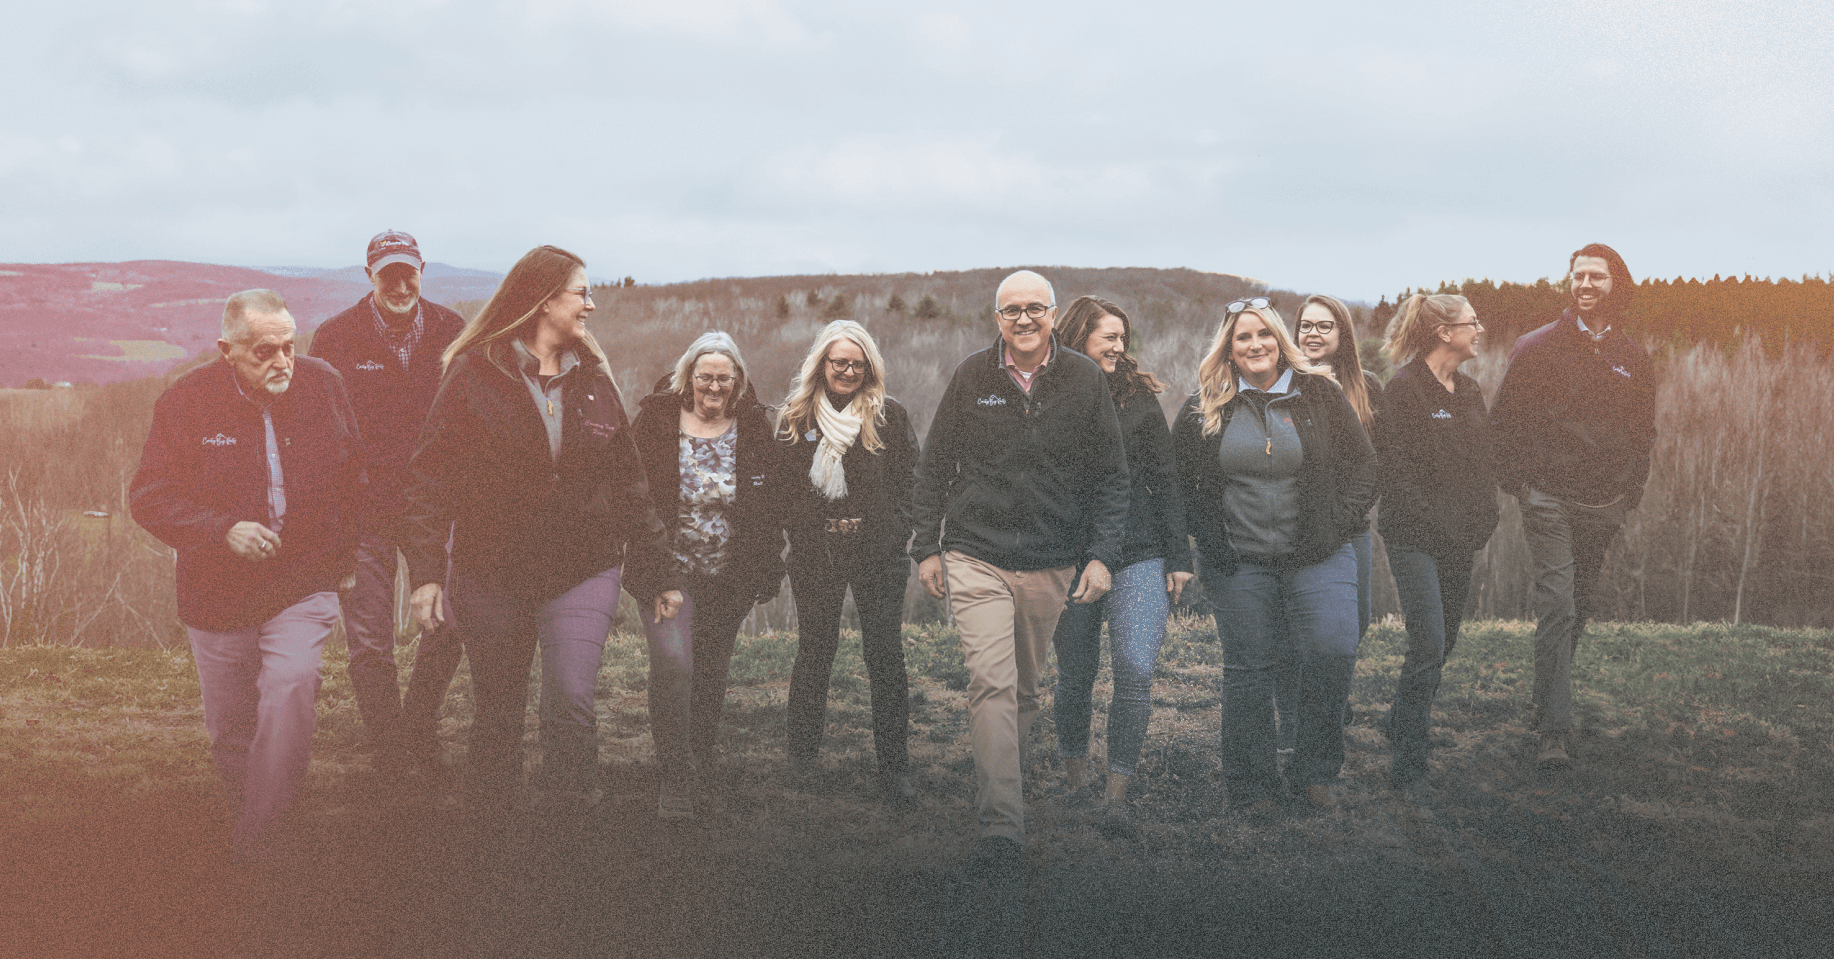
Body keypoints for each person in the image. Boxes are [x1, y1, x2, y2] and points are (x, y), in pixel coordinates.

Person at [402, 246, 682, 822]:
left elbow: (629, 480)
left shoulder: (593, 379)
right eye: (582, 292)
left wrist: (660, 569)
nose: (591, 304)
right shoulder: (475, 373)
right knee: (498, 709)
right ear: (544, 299)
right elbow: (429, 477)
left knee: (570, 700)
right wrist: (428, 574)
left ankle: (570, 821)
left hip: (582, 568)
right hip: (490, 572)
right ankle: (492, 827)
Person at [131, 289, 366, 864]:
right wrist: (222, 530)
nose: (282, 361)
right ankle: (257, 812)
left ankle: (263, 840)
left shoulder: (324, 384)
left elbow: (354, 473)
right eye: (265, 351)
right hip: (216, 593)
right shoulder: (185, 402)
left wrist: (346, 557)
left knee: (291, 687)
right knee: (230, 730)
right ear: (227, 350)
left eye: (289, 346)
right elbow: (149, 497)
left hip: (302, 580)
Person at [911, 270, 1130, 864]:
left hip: (1052, 560)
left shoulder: (1084, 380)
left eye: (1036, 308)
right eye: (1013, 311)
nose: (1025, 319)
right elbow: (935, 467)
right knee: (992, 681)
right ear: (997, 319)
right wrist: (926, 547)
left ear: (1054, 315)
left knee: (1025, 690)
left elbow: (1113, 477)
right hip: (975, 551)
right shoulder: (972, 376)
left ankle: (1000, 773)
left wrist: (1101, 557)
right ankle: (1001, 823)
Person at [1173, 298, 1375, 812]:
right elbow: (1179, 487)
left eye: (1264, 334)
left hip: (1318, 552)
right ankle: (1252, 784)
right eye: (1243, 337)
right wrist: (1206, 539)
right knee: (1250, 667)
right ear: (1229, 349)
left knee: (1333, 648)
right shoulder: (1203, 407)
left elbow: (1365, 470)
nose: (1256, 345)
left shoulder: (1320, 395)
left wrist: (1334, 527)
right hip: (1239, 562)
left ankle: (1315, 769)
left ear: (1280, 340)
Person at [1489, 243, 1656, 770]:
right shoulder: (1537, 347)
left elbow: (1642, 432)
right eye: (1577, 276)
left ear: (1616, 285)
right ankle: (1553, 733)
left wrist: (1630, 492)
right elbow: (1503, 422)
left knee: (1580, 607)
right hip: (1549, 500)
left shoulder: (1632, 356)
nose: (1585, 285)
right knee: (1558, 605)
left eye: (1596, 277)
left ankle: (1545, 698)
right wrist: (1523, 484)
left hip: (1603, 503)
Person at [306, 230, 464, 771]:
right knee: (370, 640)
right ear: (369, 275)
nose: (400, 284)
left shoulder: (452, 332)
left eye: (409, 272)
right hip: (363, 510)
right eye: (387, 274)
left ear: (422, 270)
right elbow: (321, 431)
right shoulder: (335, 338)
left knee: (448, 621)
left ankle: (418, 725)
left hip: (433, 505)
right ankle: (390, 747)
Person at [1046, 296, 1190, 836]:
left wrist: (1179, 557)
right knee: (1075, 673)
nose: (1118, 346)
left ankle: (1116, 793)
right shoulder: (1051, 394)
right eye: (1108, 336)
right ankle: (1075, 778)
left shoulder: (1139, 400)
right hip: (1069, 557)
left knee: (1135, 668)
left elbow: (1167, 481)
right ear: (1079, 335)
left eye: (1123, 338)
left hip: (1139, 553)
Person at [629, 331, 785, 818]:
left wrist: (766, 568)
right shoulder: (656, 420)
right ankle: (674, 776)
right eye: (704, 377)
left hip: (728, 577)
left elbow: (770, 506)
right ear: (688, 378)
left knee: (711, 672)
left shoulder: (757, 426)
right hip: (667, 574)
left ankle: (701, 760)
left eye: (724, 378)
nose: (713, 387)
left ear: (738, 381)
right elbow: (632, 494)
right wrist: (656, 572)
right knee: (674, 664)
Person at [775, 321, 921, 806]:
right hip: (817, 554)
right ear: (822, 364)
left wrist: (895, 531)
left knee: (885, 656)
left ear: (870, 368)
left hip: (878, 554)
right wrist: (805, 532)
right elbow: (785, 490)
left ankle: (895, 768)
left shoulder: (889, 416)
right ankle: (800, 761)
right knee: (815, 652)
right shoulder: (795, 419)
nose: (848, 371)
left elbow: (911, 482)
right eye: (839, 362)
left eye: (858, 364)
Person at [1374, 293, 1499, 787]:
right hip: (1413, 537)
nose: (1480, 330)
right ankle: (1408, 753)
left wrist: (1485, 514)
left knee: (1446, 641)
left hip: (1459, 539)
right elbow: (1395, 470)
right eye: (1472, 323)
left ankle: (1399, 718)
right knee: (1427, 642)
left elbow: (1481, 463)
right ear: (1445, 332)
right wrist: (1436, 524)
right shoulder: (1403, 390)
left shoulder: (1468, 391)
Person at [1282, 293, 1382, 745]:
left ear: (1342, 335)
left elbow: (1378, 464)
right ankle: (1295, 717)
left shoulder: (1368, 389)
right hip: (1292, 526)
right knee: (1294, 629)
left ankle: (1331, 709)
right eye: (1306, 325)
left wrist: (1346, 516)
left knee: (1351, 625)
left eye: (1325, 326)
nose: (1313, 334)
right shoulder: (1283, 384)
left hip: (1351, 527)